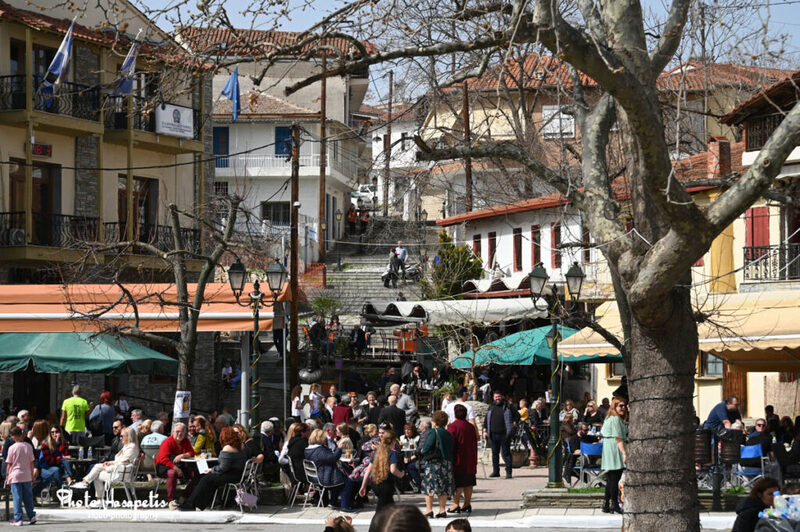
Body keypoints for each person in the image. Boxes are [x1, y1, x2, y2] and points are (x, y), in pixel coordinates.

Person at [178, 426, 247, 511]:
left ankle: (191, 503)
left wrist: (211, 470)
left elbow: (223, 467)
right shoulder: (241, 446)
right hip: (238, 474)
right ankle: (200, 504)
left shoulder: (228, 448)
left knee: (206, 479)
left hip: (231, 475)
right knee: (209, 480)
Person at [73, 426, 139, 499]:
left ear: (128, 436)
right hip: (120, 472)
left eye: (122, 436)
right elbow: (120, 461)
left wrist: (107, 468)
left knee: (97, 474)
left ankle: (95, 494)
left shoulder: (131, 447)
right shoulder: (128, 446)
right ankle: (86, 484)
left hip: (121, 474)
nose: (120, 438)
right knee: (97, 469)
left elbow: (123, 463)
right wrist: (110, 463)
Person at [420, 410, 455, 518]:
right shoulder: (448, 433)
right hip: (447, 463)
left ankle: (429, 510)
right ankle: (442, 510)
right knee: (443, 487)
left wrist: (422, 451)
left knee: (429, 487)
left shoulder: (433, 432)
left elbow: (428, 446)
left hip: (434, 463)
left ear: (435, 421)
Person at [358, 430, 405, 510]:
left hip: (375, 483)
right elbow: (393, 470)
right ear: (393, 441)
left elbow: (368, 470)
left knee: (390, 508)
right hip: (387, 484)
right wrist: (401, 474)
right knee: (381, 510)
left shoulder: (377, 452)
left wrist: (363, 486)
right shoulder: (392, 453)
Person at [155, 423, 198, 503]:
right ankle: (171, 500)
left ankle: (184, 496)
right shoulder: (167, 442)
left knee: (197, 474)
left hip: (181, 466)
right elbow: (163, 459)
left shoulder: (185, 440)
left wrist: (182, 455)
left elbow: (192, 452)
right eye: (177, 431)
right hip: (164, 466)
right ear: (173, 432)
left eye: (182, 432)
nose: (180, 434)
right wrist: (176, 469)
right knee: (172, 473)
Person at [447, 404, 478, 514]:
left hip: (458, 458)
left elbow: (450, 443)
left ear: (455, 414)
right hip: (470, 457)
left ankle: (456, 504)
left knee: (458, 482)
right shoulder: (471, 427)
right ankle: (467, 503)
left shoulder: (452, 426)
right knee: (469, 481)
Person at [601, 397, 628, 514]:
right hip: (614, 448)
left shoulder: (610, 418)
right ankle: (615, 505)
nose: (623, 408)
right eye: (620, 406)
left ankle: (606, 504)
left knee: (611, 479)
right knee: (614, 478)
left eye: (624, 405)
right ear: (614, 407)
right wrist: (624, 453)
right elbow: (618, 438)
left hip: (609, 447)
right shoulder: (615, 419)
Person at [305, 428, 346, 506]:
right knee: (346, 479)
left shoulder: (308, 449)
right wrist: (339, 449)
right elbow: (333, 458)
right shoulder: (319, 450)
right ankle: (335, 502)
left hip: (314, 475)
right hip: (323, 477)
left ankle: (334, 501)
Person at [5, 426, 36, 525]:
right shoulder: (28, 446)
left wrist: (7, 476)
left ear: (13, 436)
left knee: (17, 498)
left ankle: (18, 519)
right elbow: (31, 463)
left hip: (15, 475)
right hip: (27, 475)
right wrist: (32, 475)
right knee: (28, 497)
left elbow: (9, 464)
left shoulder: (12, 448)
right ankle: (31, 516)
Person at [484, 391, 514, 479]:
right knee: (495, 454)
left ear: (502, 397)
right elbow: (486, 419)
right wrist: (485, 430)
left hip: (505, 434)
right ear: (493, 398)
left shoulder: (508, 406)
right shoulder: (491, 406)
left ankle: (508, 472)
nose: (497, 398)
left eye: (499, 396)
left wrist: (514, 423)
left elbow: (517, 416)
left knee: (506, 453)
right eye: (496, 397)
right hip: (493, 434)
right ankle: (496, 471)